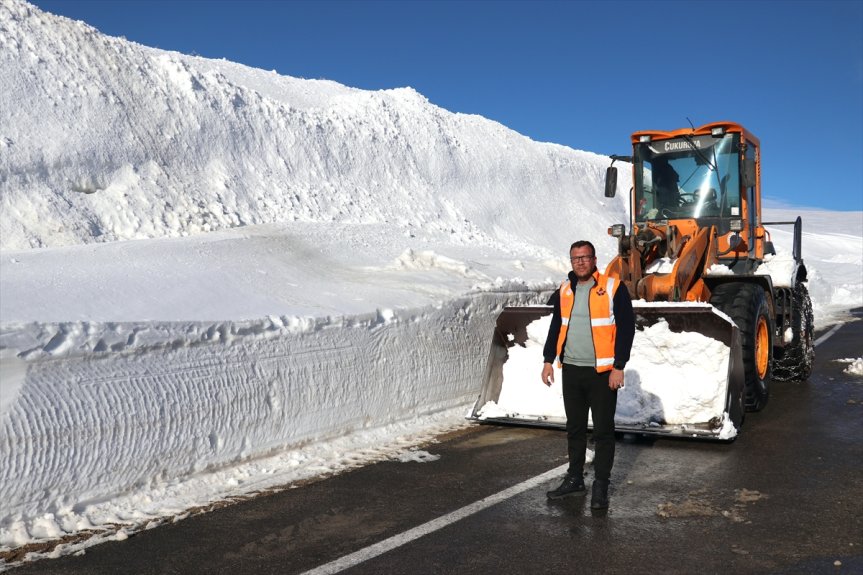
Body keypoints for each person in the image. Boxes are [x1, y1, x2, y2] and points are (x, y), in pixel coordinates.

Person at [541, 240, 635, 509]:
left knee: (604, 431)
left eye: (585, 257)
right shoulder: (565, 290)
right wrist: (549, 360)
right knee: (575, 429)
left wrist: (619, 366)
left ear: (594, 260)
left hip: (602, 373)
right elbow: (557, 326)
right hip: (571, 369)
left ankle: (601, 485)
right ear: (571, 262)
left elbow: (627, 328)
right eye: (575, 258)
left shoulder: (612, 287)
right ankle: (574, 480)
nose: (580, 262)